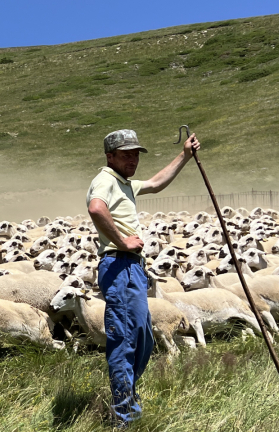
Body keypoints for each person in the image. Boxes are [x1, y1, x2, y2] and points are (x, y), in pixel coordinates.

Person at [86, 128, 199, 427]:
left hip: (132, 267)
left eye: (135, 154)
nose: (132, 160)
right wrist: (123, 242)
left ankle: (126, 398)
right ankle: (125, 416)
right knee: (125, 338)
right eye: (126, 155)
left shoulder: (124, 183)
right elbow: (96, 208)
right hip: (119, 263)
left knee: (143, 337)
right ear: (110, 156)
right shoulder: (105, 180)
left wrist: (185, 155)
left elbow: (156, 183)